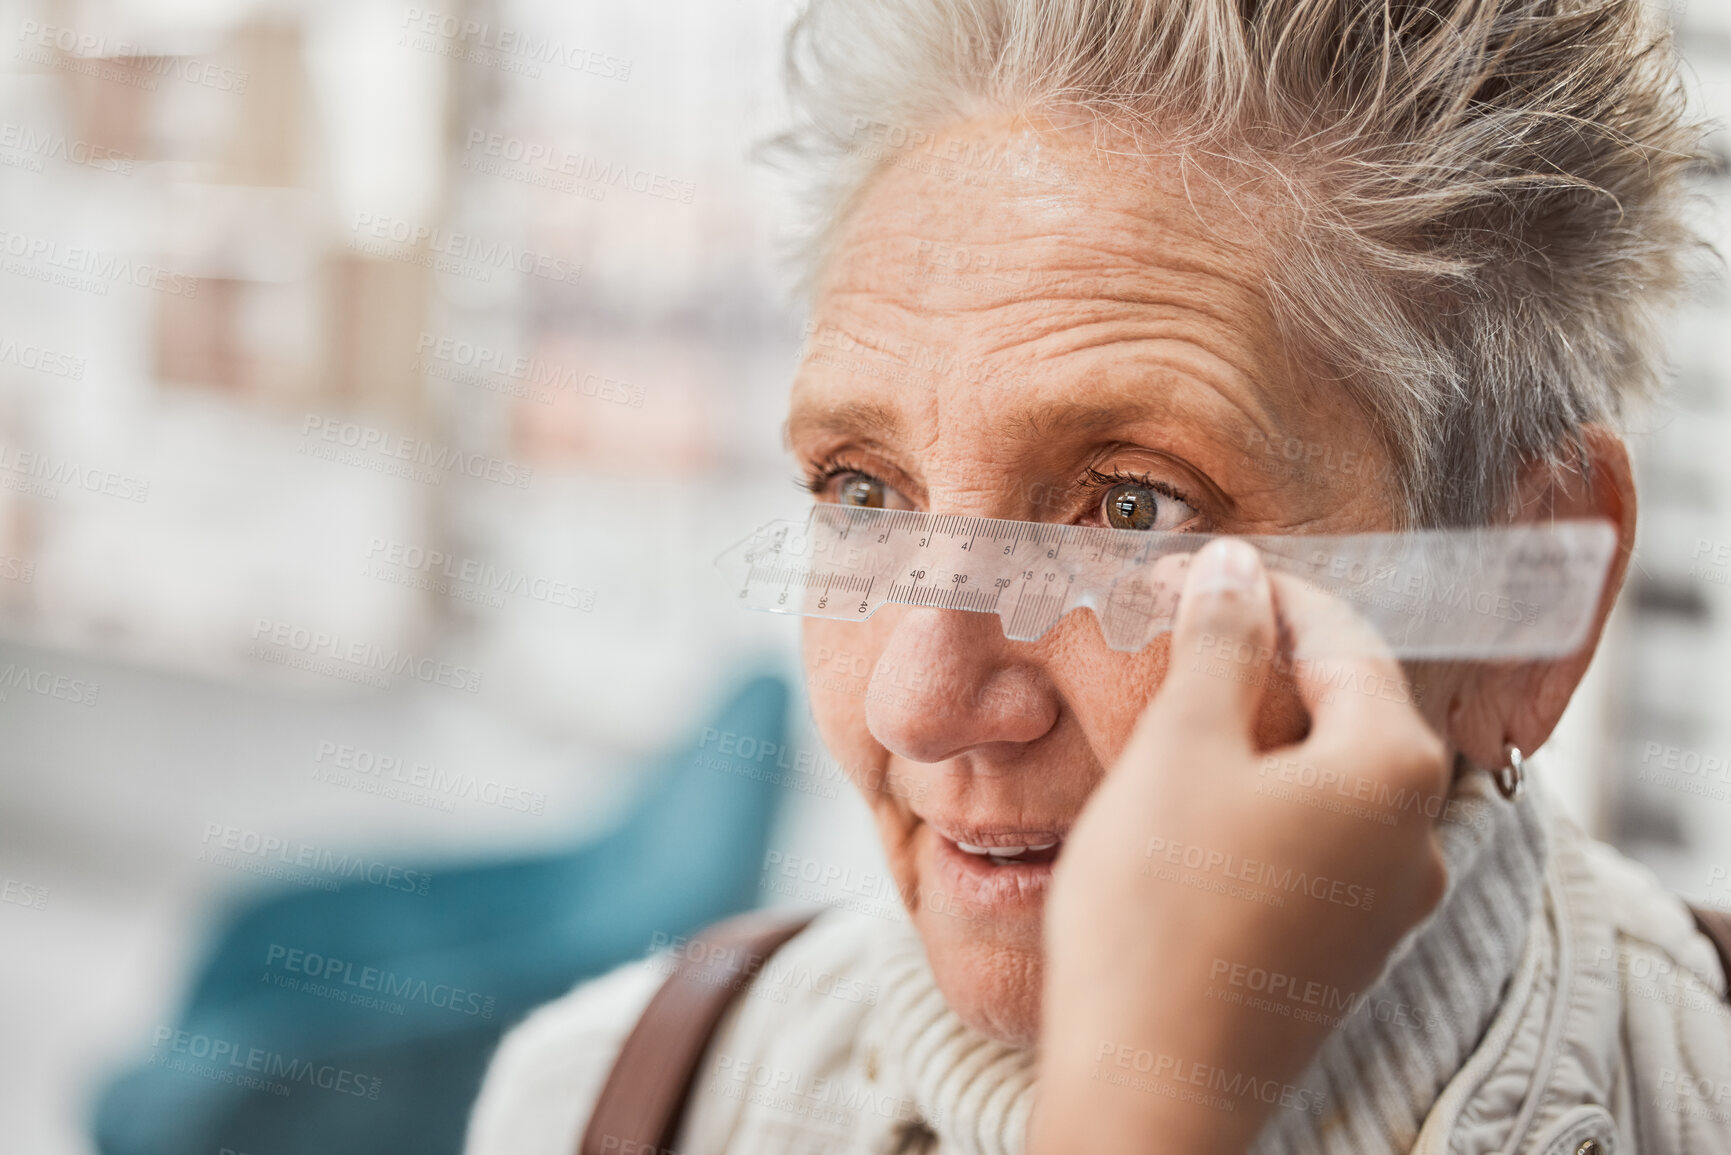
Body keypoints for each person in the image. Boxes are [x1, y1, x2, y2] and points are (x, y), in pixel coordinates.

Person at [465, 0, 1731, 1151]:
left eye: (1134, 509)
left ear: (1527, 609)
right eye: (863, 491)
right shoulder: (602, 1101)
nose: (917, 702)